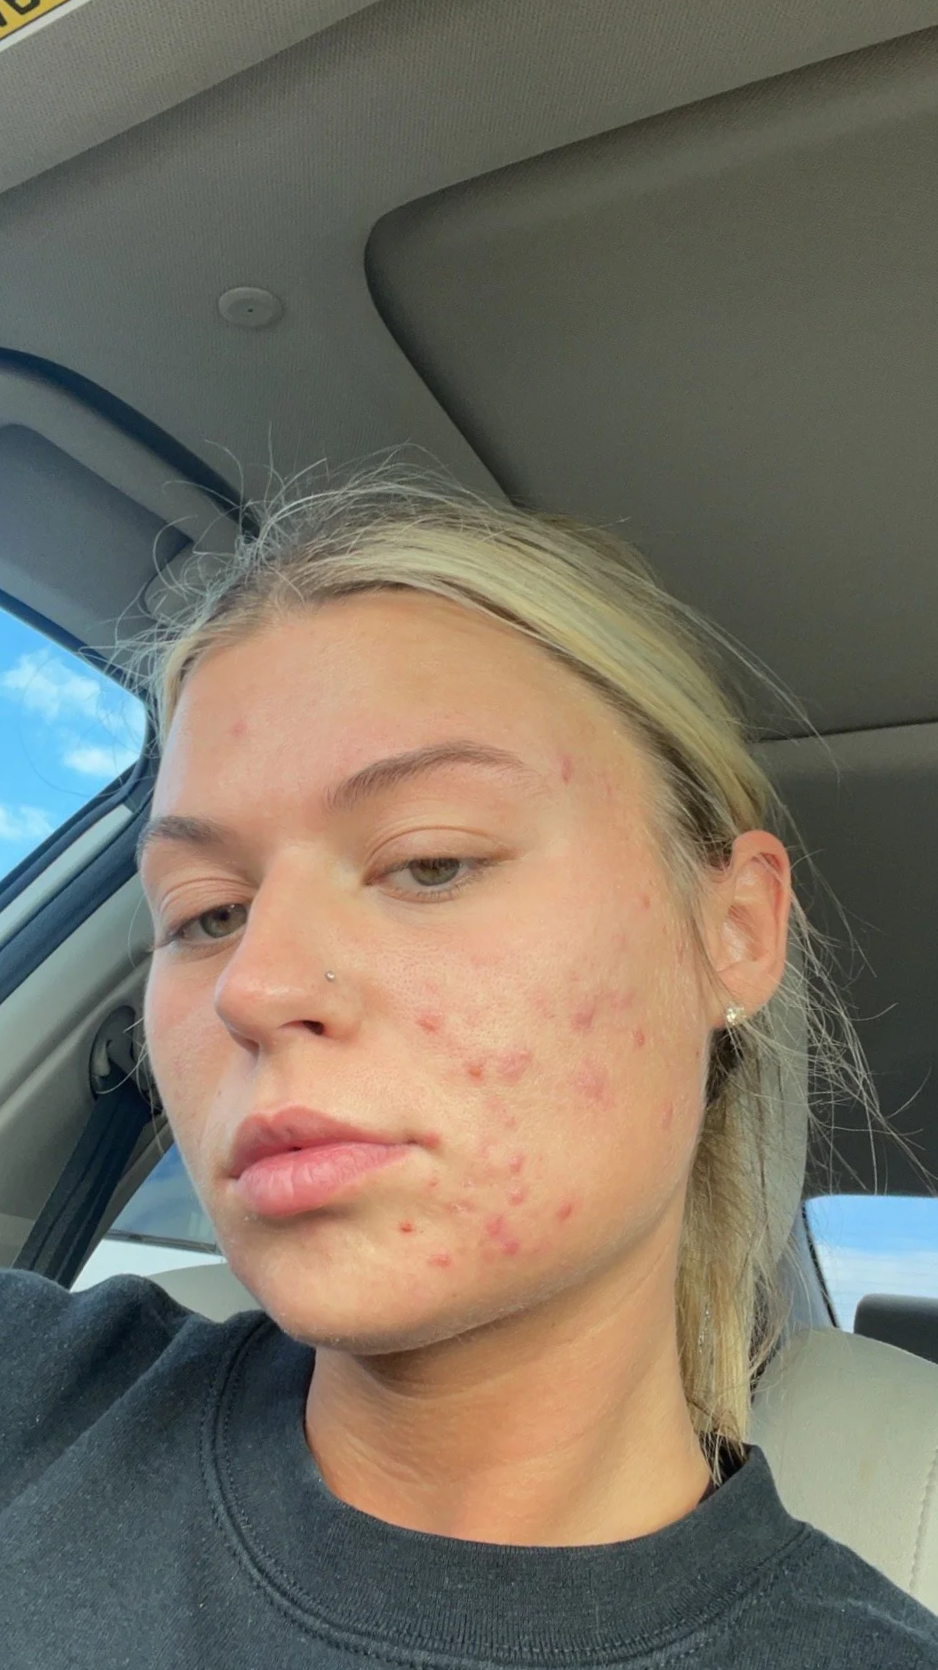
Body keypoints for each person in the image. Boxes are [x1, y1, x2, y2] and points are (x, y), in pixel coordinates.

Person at [3, 462, 937, 1667]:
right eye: (207, 911)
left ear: (734, 932)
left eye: (428, 861)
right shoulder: (37, 1391)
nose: (256, 985)